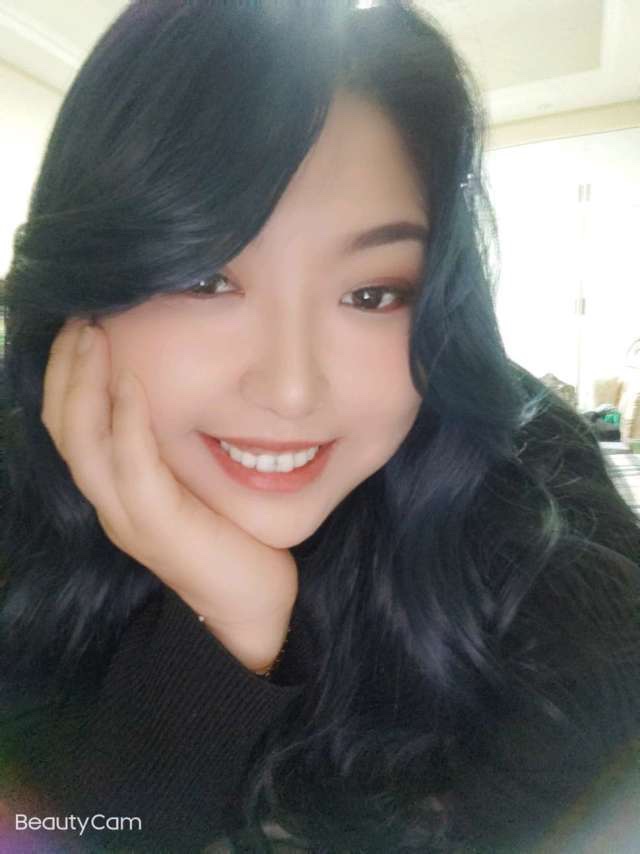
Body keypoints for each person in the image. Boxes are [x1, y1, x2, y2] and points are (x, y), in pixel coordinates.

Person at [1, 1, 639, 852]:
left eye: (372, 294)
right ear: (84, 292)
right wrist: (228, 623)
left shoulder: (546, 569)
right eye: (204, 280)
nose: (292, 390)